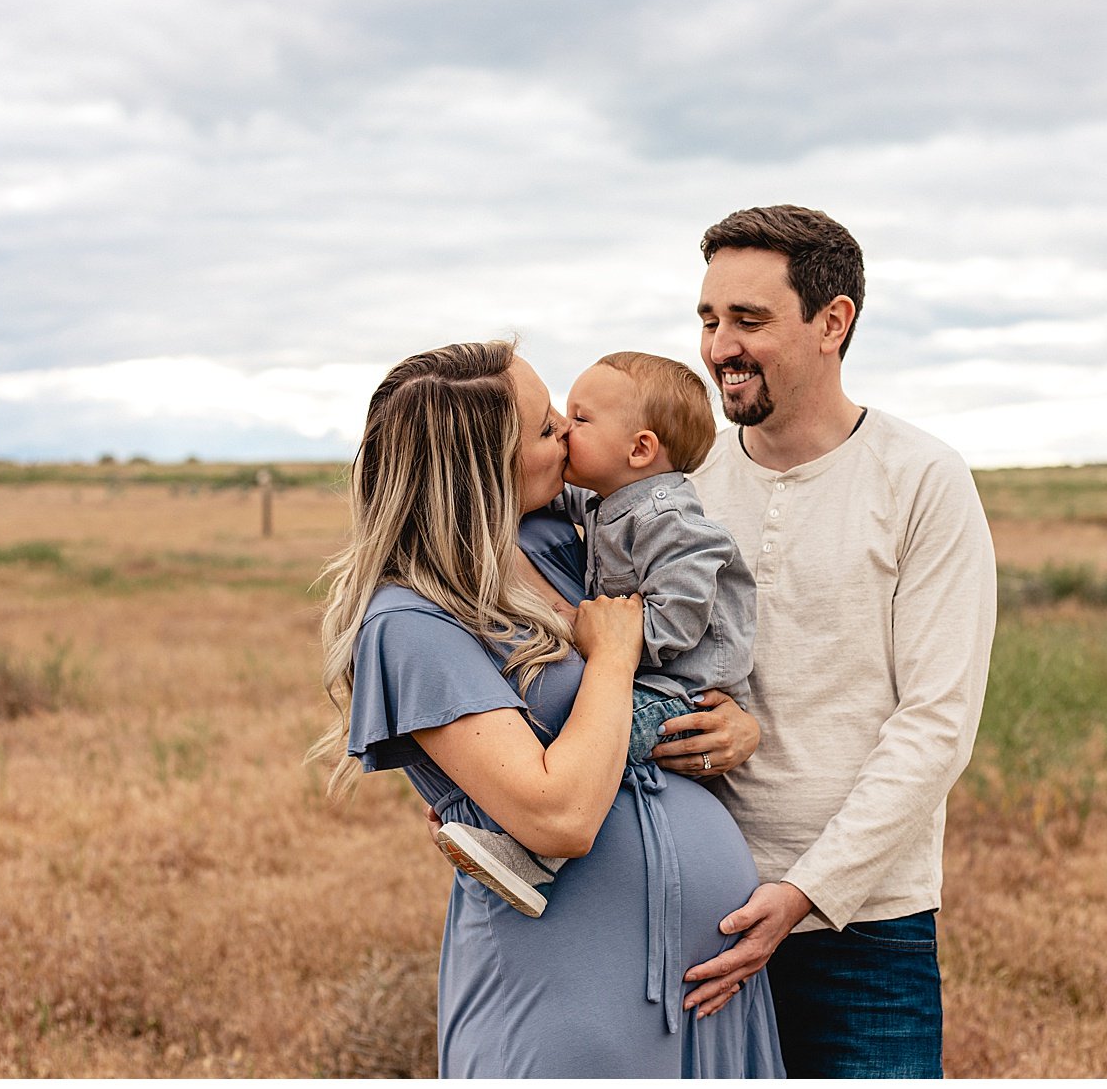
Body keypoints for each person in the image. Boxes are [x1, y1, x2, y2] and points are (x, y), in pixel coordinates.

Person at [309, 340, 784, 1078]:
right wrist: (617, 654)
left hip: (707, 985)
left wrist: (732, 725)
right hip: (572, 996)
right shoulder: (410, 622)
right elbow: (557, 814)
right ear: (481, 468)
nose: (566, 429)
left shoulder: (561, 539)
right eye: (543, 427)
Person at [652, 204, 998, 1077]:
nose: (719, 346)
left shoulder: (921, 479)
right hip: (692, 910)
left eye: (749, 320)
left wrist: (806, 891)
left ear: (832, 323)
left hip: (865, 927)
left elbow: (936, 724)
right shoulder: (678, 488)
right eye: (708, 318)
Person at [434, 350, 757, 919]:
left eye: (579, 420)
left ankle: (533, 855)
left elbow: (682, 612)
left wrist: (613, 640)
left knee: (599, 738)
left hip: (674, 687)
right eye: (553, 422)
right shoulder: (607, 497)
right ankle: (497, 806)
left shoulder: (670, 519)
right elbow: (538, 487)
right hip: (648, 676)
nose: (562, 428)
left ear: (639, 449)